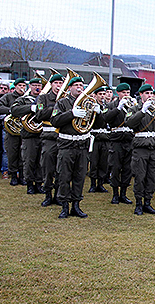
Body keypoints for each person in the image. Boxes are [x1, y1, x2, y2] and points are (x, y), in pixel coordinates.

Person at [50, 76, 105, 218]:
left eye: (81, 84)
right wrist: (71, 114)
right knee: (64, 176)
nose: (79, 87)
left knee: (79, 176)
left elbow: (98, 125)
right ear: (69, 88)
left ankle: (76, 205)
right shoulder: (62, 103)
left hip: (82, 145)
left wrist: (98, 114)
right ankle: (64, 206)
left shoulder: (89, 103)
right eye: (76, 85)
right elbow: (54, 120)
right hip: (67, 145)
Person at [125, 84, 155, 215]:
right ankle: (138, 203)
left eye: (151, 94)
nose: (150, 96)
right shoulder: (135, 108)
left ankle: (148, 202)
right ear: (141, 95)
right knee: (140, 176)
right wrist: (143, 111)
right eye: (147, 94)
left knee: (152, 176)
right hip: (141, 147)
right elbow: (129, 123)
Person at [11, 77, 44, 194]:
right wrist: (30, 108)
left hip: (41, 134)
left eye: (39, 85)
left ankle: (39, 184)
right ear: (30, 86)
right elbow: (14, 109)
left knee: (41, 162)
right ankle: (30, 184)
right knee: (29, 161)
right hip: (29, 135)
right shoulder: (23, 99)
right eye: (34, 85)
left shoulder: (43, 99)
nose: (37, 87)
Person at [103, 83, 134, 204]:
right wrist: (118, 109)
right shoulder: (111, 105)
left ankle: (123, 194)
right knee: (115, 167)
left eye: (128, 92)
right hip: (116, 140)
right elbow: (106, 118)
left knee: (127, 168)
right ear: (118, 93)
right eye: (124, 93)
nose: (126, 95)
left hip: (129, 140)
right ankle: (115, 194)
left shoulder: (132, 106)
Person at [36, 74, 64, 206]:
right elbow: (39, 114)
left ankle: (58, 194)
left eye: (60, 83)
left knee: (61, 168)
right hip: (48, 137)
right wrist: (56, 108)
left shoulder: (66, 98)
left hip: (62, 137)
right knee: (47, 167)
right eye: (56, 83)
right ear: (51, 84)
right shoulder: (43, 98)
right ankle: (47, 194)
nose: (58, 86)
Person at [0, 78, 27, 186]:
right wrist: (11, 110)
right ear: (15, 87)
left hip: (24, 130)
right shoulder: (8, 97)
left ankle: (22, 176)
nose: (22, 88)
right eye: (19, 85)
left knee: (22, 154)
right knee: (11, 153)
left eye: (23, 85)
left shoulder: (26, 98)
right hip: (11, 130)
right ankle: (13, 176)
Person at [87, 86, 110, 193]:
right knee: (94, 161)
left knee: (103, 162)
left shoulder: (106, 106)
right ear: (94, 95)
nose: (102, 96)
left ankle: (100, 183)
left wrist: (101, 112)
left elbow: (106, 119)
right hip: (95, 137)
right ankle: (92, 184)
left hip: (104, 137)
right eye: (100, 94)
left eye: (103, 94)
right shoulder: (91, 106)